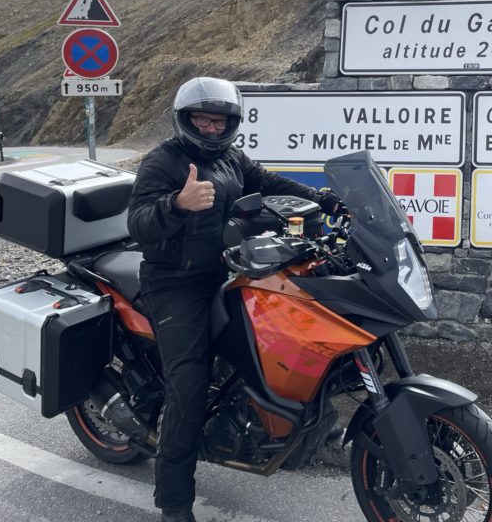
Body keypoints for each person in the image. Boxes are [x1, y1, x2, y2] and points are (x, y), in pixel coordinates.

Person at [127, 76, 341, 522]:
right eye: (202, 120)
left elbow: (267, 181)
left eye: (218, 121)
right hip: (175, 283)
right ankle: (174, 504)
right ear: (185, 119)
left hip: (229, 270)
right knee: (188, 382)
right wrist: (177, 205)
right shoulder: (162, 162)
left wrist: (322, 200)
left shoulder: (230, 158)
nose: (210, 128)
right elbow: (139, 223)